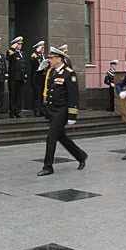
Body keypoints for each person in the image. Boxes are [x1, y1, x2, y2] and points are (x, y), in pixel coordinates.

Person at [37, 47, 87, 176]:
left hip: (62, 110)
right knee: (61, 136)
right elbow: (49, 91)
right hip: (53, 109)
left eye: (51, 58)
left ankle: (48, 166)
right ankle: (80, 156)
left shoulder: (69, 74)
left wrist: (72, 114)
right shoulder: (52, 72)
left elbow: (73, 96)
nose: (49, 60)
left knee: (51, 136)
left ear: (59, 59)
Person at [7, 36, 29, 118]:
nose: (20, 45)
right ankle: (12, 112)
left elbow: (24, 65)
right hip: (13, 78)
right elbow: (8, 58)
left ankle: (18, 111)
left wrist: (25, 75)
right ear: (15, 44)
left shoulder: (22, 53)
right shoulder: (12, 52)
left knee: (20, 96)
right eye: (18, 44)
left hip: (21, 78)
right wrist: (12, 49)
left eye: (21, 44)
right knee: (13, 95)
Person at [30, 41, 47, 117]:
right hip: (36, 78)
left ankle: (42, 110)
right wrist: (36, 51)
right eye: (42, 47)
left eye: (43, 47)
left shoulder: (43, 56)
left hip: (43, 77)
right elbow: (32, 60)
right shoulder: (34, 55)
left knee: (42, 95)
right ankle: (36, 110)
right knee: (37, 95)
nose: (43, 49)